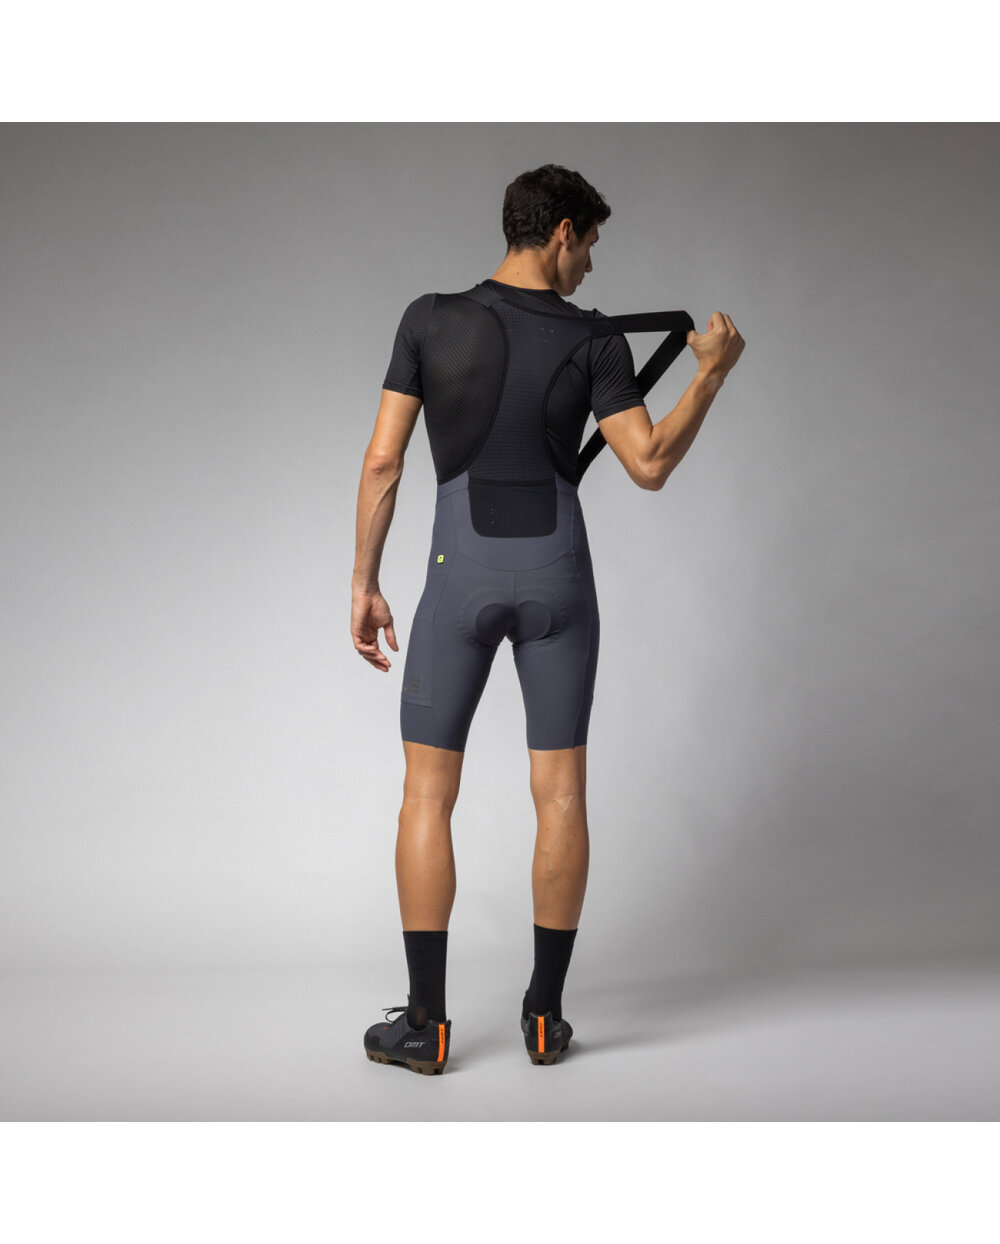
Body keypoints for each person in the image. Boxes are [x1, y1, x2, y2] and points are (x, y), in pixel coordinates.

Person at [351, 164, 745, 1074]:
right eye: (592, 245)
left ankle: (426, 1025)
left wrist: (365, 583)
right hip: (559, 580)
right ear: (562, 231)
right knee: (561, 794)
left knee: (426, 795)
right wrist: (710, 376)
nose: (592, 267)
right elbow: (649, 463)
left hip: (457, 578)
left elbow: (382, 463)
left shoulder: (427, 319)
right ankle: (544, 1017)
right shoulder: (596, 340)